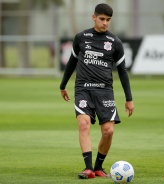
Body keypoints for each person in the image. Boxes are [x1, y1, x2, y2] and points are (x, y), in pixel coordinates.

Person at [60, 3, 134, 179]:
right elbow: (71, 62)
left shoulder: (115, 42)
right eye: (102, 19)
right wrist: (63, 85)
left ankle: (98, 167)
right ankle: (88, 169)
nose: (105, 23)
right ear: (94, 17)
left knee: (108, 131)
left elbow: (122, 71)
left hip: (105, 92)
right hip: (83, 89)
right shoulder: (81, 38)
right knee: (84, 124)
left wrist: (129, 98)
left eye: (108, 20)